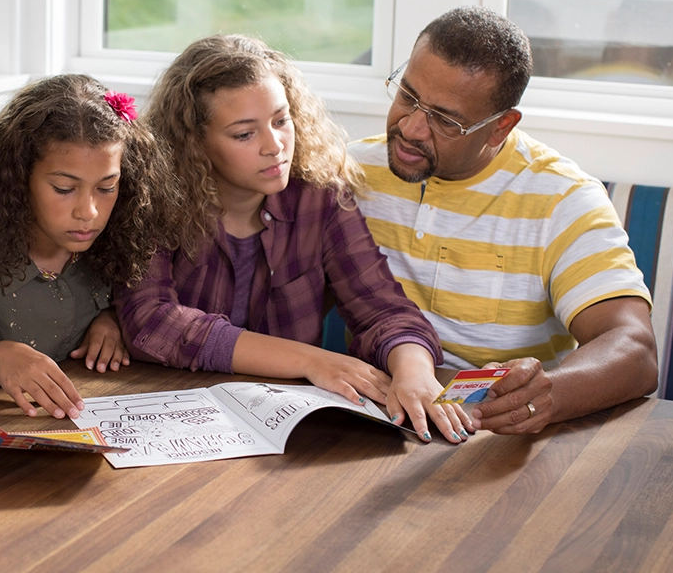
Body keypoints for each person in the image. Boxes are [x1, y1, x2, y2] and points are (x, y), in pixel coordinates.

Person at [115, 34, 471, 444]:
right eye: (244, 134)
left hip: (286, 432)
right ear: (195, 143)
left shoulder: (320, 196)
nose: (275, 146)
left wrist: (415, 373)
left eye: (281, 121)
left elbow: (383, 308)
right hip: (168, 422)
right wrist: (309, 360)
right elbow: (150, 321)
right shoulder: (155, 200)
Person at [350, 5, 658, 435]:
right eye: (407, 96)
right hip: (371, 421)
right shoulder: (351, 173)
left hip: (497, 438)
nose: (412, 128)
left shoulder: (562, 199)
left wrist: (548, 392)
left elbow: (635, 351)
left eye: (445, 120)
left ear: (501, 127)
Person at [0, 74, 181, 421]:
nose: (88, 212)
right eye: (63, 188)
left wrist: (112, 318)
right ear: (18, 178)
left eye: (106, 188)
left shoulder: (116, 240)